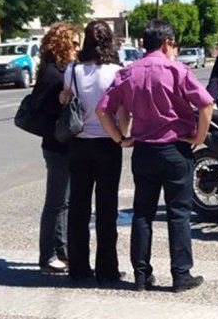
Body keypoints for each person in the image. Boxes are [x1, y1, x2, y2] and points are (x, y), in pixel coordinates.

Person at [97, 20, 214, 293]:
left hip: (144, 151)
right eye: (173, 44)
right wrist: (199, 137)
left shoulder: (127, 73)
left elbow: (103, 110)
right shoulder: (177, 70)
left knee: (142, 213)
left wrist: (120, 139)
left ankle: (140, 275)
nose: (174, 49)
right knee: (178, 214)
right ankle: (181, 274)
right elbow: (206, 104)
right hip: (175, 150)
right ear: (166, 43)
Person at [59, 20, 128, 284]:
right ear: (109, 41)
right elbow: (121, 110)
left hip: (78, 143)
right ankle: (107, 268)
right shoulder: (116, 72)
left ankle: (78, 266)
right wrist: (123, 136)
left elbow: (65, 99)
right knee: (107, 207)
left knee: (78, 206)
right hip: (107, 143)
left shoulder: (72, 70)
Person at [31, 22, 78, 274]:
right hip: (55, 144)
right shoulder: (52, 73)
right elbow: (39, 108)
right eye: (74, 43)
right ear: (62, 44)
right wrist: (59, 102)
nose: (77, 48)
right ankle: (47, 256)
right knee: (55, 202)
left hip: (63, 143)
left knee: (65, 202)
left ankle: (63, 251)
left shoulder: (64, 70)